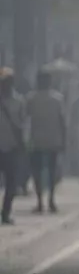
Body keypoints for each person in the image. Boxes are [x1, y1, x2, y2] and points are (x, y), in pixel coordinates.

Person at [27, 70, 67, 213]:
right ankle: (51, 200)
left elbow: (26, 118)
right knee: (51, 172)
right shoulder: (57, 99)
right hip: (53, 140)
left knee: (37, 172)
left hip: (37, 140)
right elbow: (62, 121)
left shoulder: (31, 98)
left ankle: (40, 201)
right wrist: (64, 139)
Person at [0, 69, 27, 225]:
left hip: (12, 146)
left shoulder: (19, 101)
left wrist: (22, 142)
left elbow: (22, 124)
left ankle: (6, 212)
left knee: (11, 183)